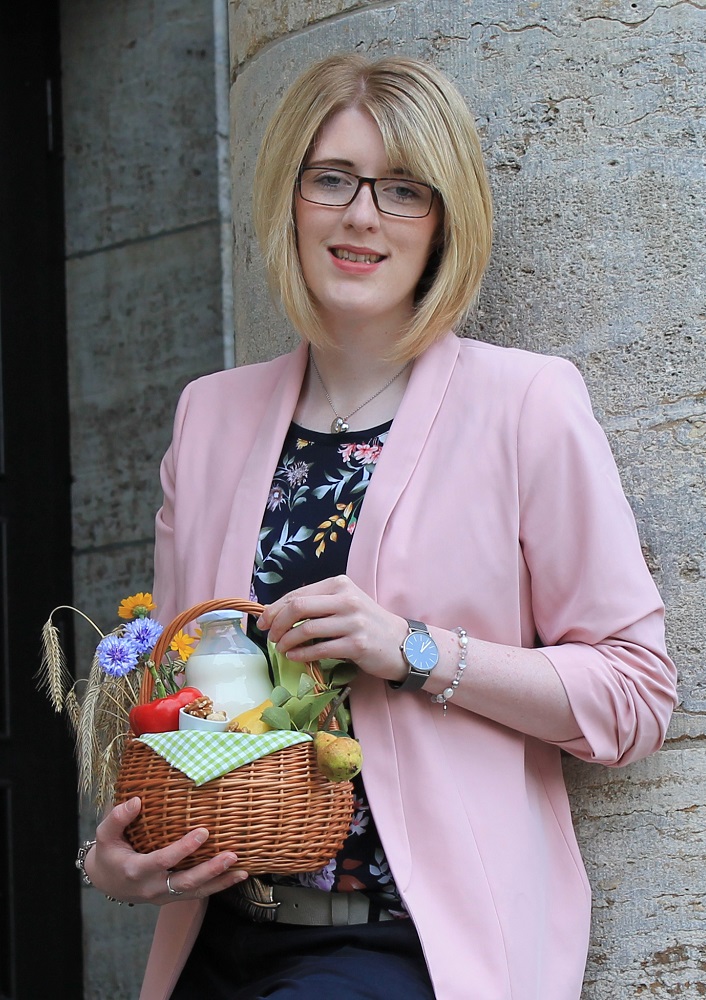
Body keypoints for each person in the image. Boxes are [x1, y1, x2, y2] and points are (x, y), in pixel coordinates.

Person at [80, 54, 677, 999]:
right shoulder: (210, 417)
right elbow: (175, 686)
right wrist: (119, 860)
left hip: (406, 948)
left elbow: (637, 694)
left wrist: (415, 648)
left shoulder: (525, 403)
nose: (363, 215)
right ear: (291, 199)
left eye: (404, 190)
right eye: (334, 180)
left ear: (444, 222)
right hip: (214, 940)